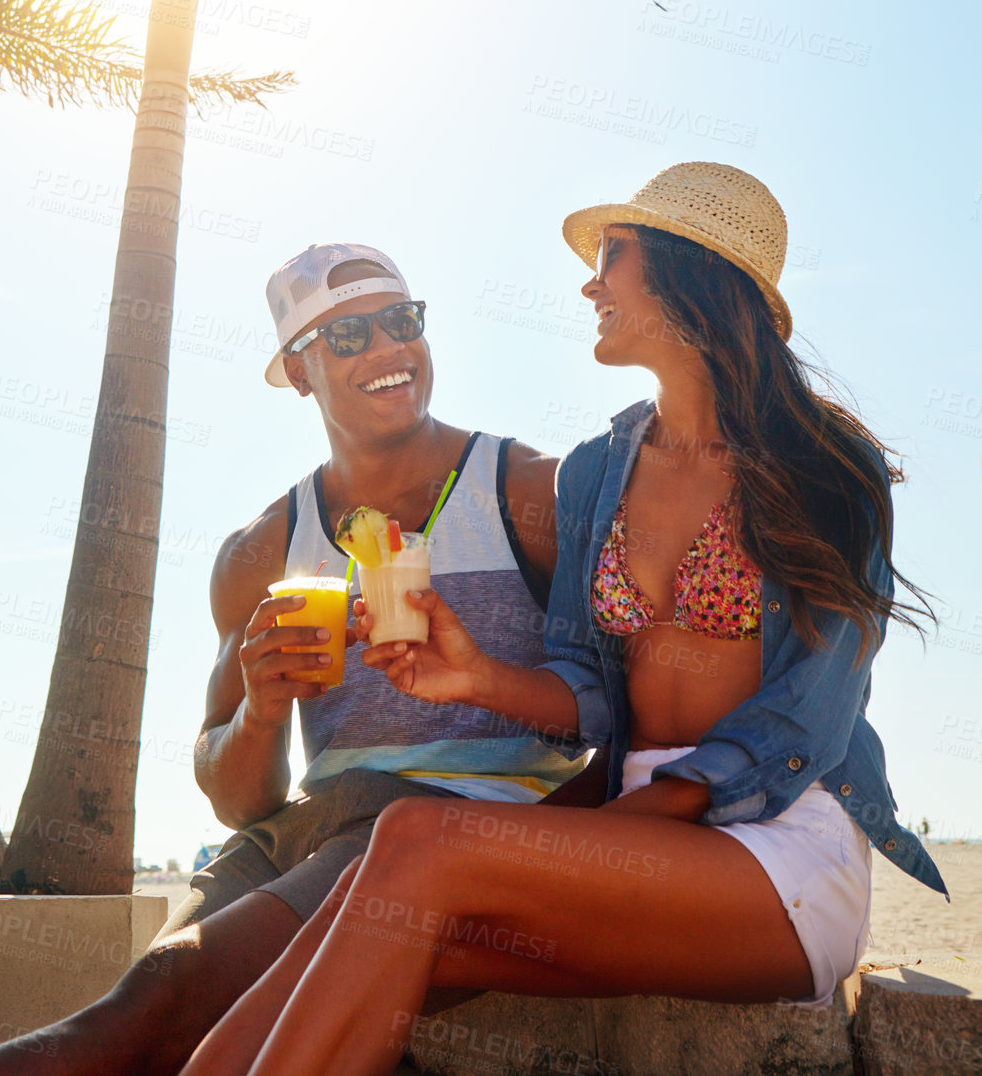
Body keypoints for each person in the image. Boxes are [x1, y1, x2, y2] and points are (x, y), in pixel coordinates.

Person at [179, 163, 948, 1076]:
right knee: (367, 925)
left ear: (684, 272)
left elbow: (809, 714)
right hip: (637, 831)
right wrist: (470, 674)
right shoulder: (596, 473)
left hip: (773, 842)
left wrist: (654, 807)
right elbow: (589, 688)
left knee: (412, 839)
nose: (590, 282)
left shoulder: (826, 464)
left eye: (612, 257)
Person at [0, 242, 574, 1076]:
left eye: (400, 321)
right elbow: (241, 799)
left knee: (165, 999)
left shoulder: (526, 491)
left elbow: (609, 701)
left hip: (440, 828)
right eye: (345, 336)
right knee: (162, 1000)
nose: (386, 349)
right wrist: (264, 708)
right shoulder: (263, 549)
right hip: (298, 828)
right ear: (299, 373)